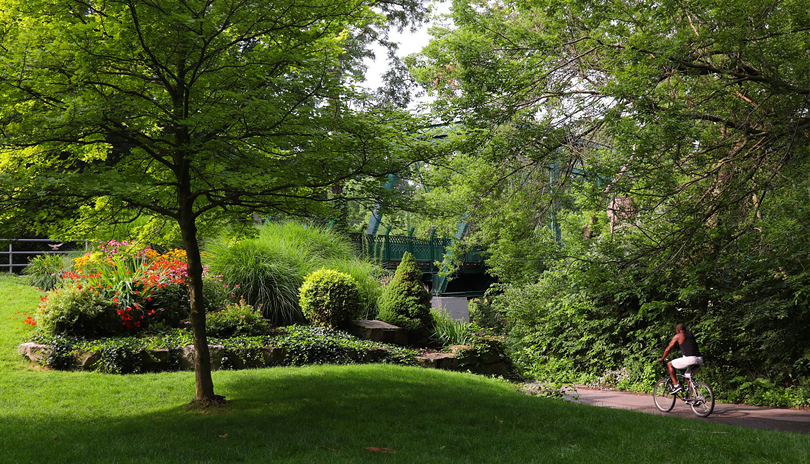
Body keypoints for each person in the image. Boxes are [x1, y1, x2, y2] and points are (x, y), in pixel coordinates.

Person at [657, 323, 703, 394]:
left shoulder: (678, 336)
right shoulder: (691, 335)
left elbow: (668, 349)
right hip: (699, 360)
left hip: (689, 359)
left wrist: (662, 358)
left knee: (669, 364)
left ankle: (676, 385)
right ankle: (697, 396)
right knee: (687, 377)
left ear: (677, 330)